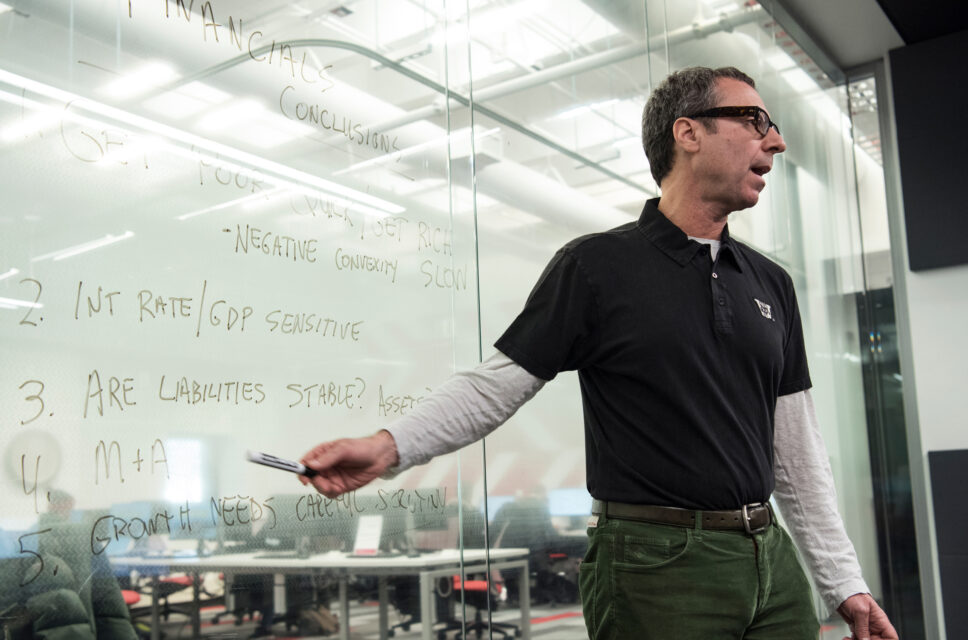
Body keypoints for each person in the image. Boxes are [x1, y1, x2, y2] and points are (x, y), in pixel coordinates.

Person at [298, 66, 898, 640]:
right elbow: (497, 385)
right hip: (657, 565)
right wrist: (388, 447)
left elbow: (796, 448)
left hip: (771, 557)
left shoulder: (771, 283)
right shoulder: (596, 266)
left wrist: (842, 581)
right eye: (755, 119)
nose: (778, 140)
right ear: (688, 132)